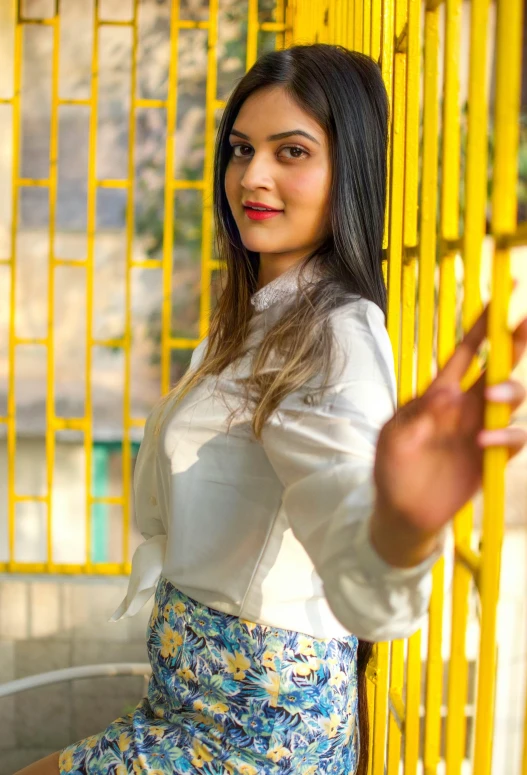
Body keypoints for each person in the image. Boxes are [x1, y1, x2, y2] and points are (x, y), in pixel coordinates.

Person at [17, 44, 527, 775]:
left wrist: (402, 526)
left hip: (252, 737)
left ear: (350, 169)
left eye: (292, 151)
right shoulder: (257, 317)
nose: (251, 176)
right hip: (187, 705)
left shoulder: (335, 334)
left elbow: (360, 571)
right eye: (240, 150)